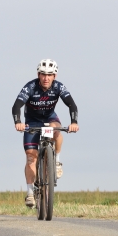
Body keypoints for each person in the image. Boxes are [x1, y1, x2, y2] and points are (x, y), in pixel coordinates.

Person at [12, 59, 79, 208]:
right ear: (38, 74)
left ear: (54, 76)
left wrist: (73, 122)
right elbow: (17, 105)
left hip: (49, 119)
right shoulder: (30, 87)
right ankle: (30, 193)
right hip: (32, 121)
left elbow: (71, 104)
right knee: (31, 156)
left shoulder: (59, 87)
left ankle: (56, 161)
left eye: (49, 75)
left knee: (56, 131)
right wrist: (18, 122)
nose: (46, 78)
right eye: (43, 74)